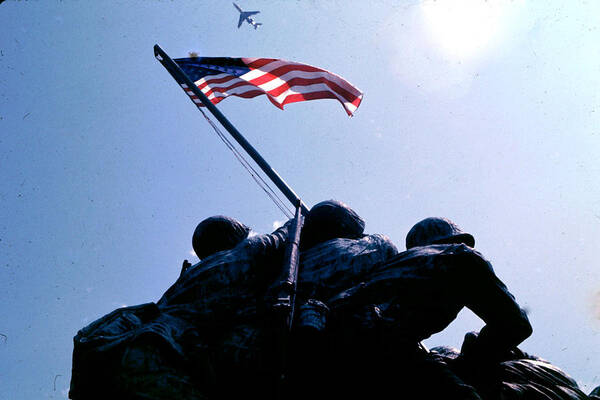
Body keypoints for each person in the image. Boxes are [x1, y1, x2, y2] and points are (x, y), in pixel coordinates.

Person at [324, 217, 532, 399]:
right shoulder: (461, 256)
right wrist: (470, 363)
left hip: (331, 336)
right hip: (380, 345)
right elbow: (514, 323)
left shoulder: (394, 263)